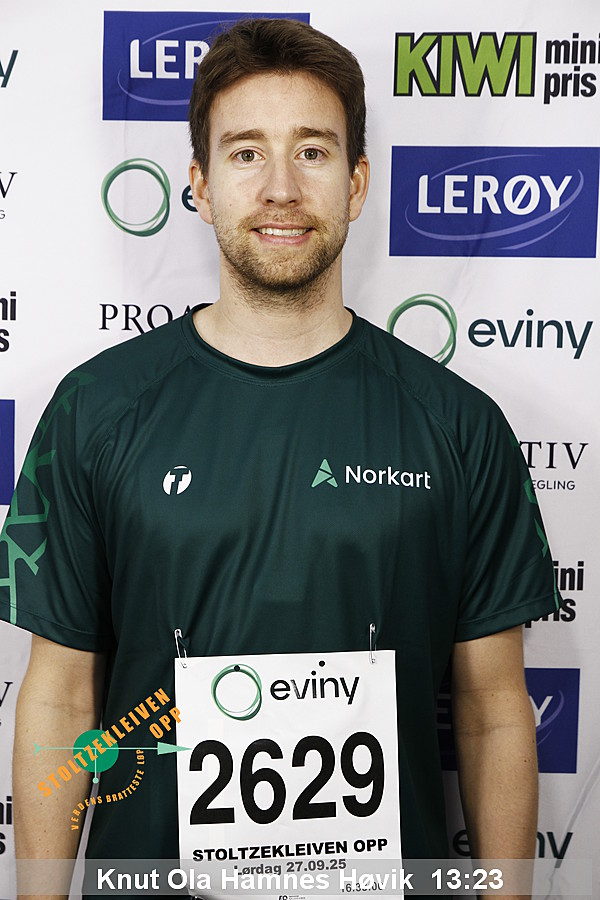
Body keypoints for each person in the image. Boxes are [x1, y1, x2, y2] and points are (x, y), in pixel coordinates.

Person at [1, 16, 560, 895]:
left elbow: (493, 710)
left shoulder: (459, 426)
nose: (281, 188)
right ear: (199, 184)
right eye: (246, 153)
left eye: (312, 151)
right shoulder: (95, 411)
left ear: (357, 182)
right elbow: (63, 695)